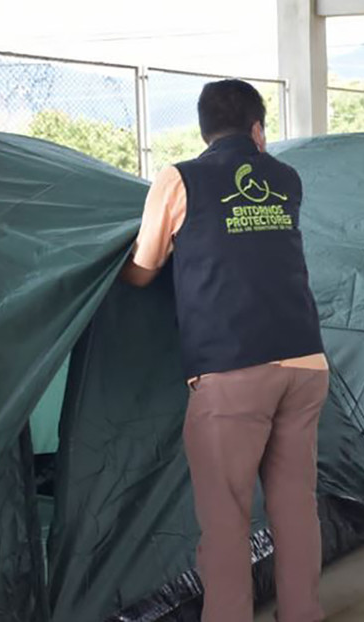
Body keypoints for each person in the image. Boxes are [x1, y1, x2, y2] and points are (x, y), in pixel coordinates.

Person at [120, 80, 327, 622]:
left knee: (225, 520)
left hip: (231, 369)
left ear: (203, 129)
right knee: (295, 508)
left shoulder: (179, 178)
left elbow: (142, 269)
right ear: (258, 130)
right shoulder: (287, 178)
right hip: (306, 363)